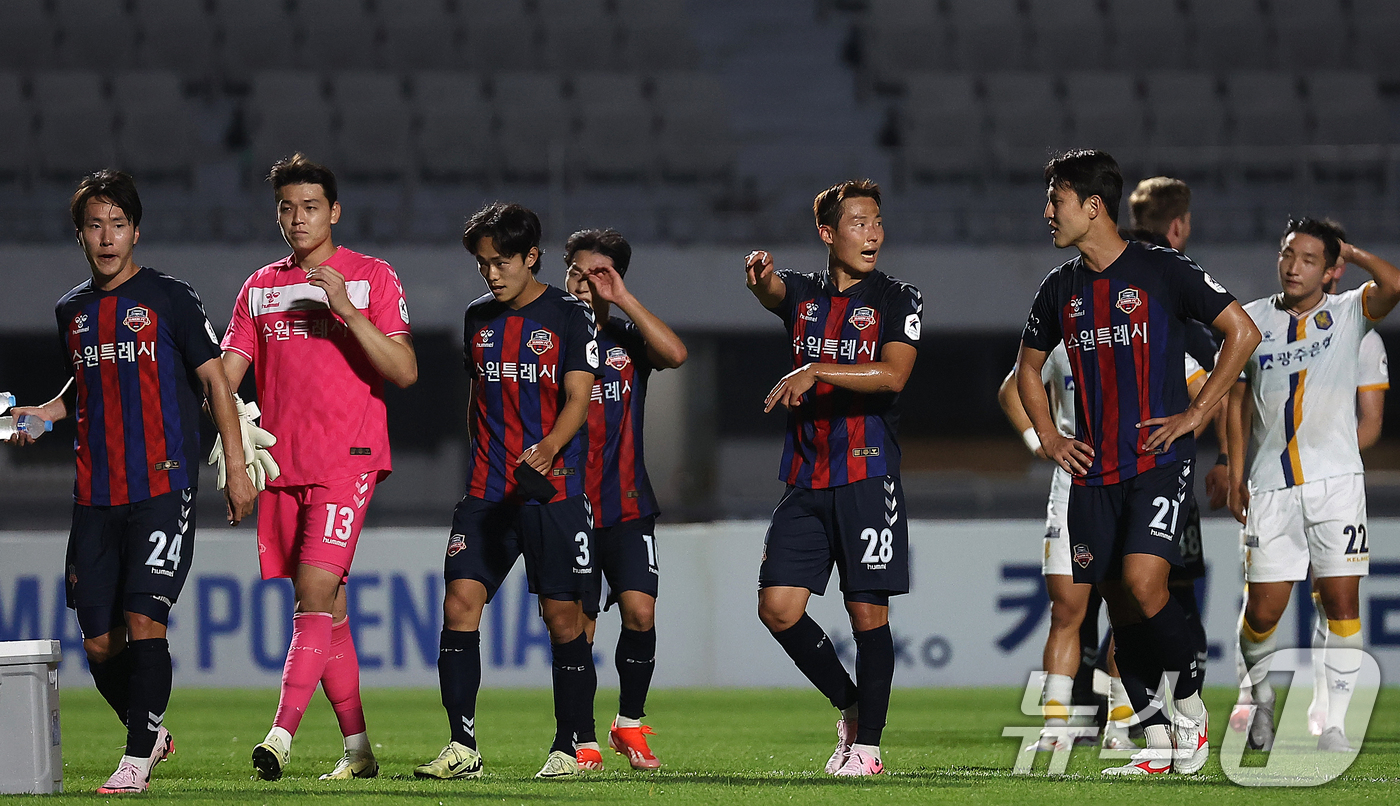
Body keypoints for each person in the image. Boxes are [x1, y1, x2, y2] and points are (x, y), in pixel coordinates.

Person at [6, 169, 256, 793]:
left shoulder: (171, 297)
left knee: (145, 619)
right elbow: (82, 383)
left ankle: (137, 757)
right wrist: (42, 414)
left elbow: (215, 382)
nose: (107, 236)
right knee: (97, 642)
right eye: (95, 225)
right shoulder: (72, 310)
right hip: (94, 494)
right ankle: (152, 731)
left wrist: (237, 464)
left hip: (162, 485)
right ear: (80, 235)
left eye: (117, 223)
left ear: (136, 231)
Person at [1016, 150, 1260, 775]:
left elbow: (1242, 333)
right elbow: (1026, 369)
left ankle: (1193, 712)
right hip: (1092, 472)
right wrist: (1048, 437)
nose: (1047, 212)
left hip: (1157, 458)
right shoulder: (1060, 287)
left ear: (1091, 206)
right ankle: (1156, 738)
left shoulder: (1161, 269)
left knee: (1146, 583)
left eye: (1056, 200)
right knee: (1120, 603)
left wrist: (1195, 417)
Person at [220, 154, 418, 781]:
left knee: (312, 590)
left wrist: (348, 313)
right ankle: (358, 750)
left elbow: (406, 371)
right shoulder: (260, 287)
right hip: (283, 465)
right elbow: (224, 377)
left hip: (348, 458)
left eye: (310, 207)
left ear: (334, 212)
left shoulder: (370, 278)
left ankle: (279, 737)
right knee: (325, 608)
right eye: (287, 207)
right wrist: (233, 455)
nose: (298, 219)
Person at [416, 202, 603, 782]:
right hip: (486, 493)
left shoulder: (571, 316)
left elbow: (579, 398)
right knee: (458, 605)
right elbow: (476, 401)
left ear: (532, 257)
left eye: (502, 262)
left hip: (552, 493)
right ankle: (462, 746)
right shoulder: (477, 319)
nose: (492, 273)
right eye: (482, 264)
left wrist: (548, 448)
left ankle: (569, 746)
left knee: (562, 617)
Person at [744, 179, 922, 777]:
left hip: (867, 475)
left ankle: (868, 747)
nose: (872, 233)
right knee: (778, 608)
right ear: (828, 233)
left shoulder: (899, 299)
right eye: (858, 222)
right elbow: (772, 290)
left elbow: (895, 376)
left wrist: (817, 368)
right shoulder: (803, 295)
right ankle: (850, 703)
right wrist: (761, 275)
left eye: (876, 222)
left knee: (867, 615)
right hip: (805, 477)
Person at [1226, 218, 1400, 752]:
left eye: (1307, 259)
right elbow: (1233, 401)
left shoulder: (1350, 313)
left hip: (1336, 486)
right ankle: (1258, 696)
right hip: (1271, 488)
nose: (1292, 266)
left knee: (1342, 599)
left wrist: (1356, 252)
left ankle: (1335, 725)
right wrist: (1235, 473)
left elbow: (1393, 285)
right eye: (1287, 254)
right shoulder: (1250, 320)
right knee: (1263, 612)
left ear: (1331, 270)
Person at [998, 346, 1209, 753]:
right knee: (1065, 609)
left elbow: (1201, 385)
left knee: (1126, 610)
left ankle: (1119, 725)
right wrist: (1040, 440)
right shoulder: (1060, 340)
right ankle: (1055, 727)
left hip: (1133, 487)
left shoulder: (1143, 333)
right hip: (1072, 487)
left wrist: (1174, 441)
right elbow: (1012, 388)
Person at [562, 229, 688, 771]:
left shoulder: (629, 343)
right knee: (580, 627)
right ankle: (581, 738)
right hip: (569, 505)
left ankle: (629, 724)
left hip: (628, 502)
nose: (586, 283)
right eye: (578, 271)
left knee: (640, 611)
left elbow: (677, 354)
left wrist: (624, 299)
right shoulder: (549, 337)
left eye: (600, 274)